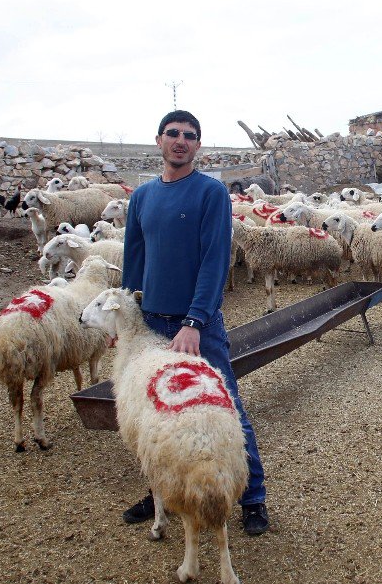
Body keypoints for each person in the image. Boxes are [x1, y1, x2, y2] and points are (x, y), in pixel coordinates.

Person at [119, 109, 270, 536]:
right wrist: (127, 321)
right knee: (156, 415)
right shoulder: (142, 197)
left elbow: (214, 260)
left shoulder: (210, 193)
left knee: (226, 408)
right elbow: (134, 260)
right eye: (173, 134)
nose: (180, 140)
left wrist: (195, 320)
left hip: (197, 327)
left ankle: (252, 497)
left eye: (189, 135)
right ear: (159, 140)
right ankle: (161, 494)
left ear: (198, 145)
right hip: (150, 323)